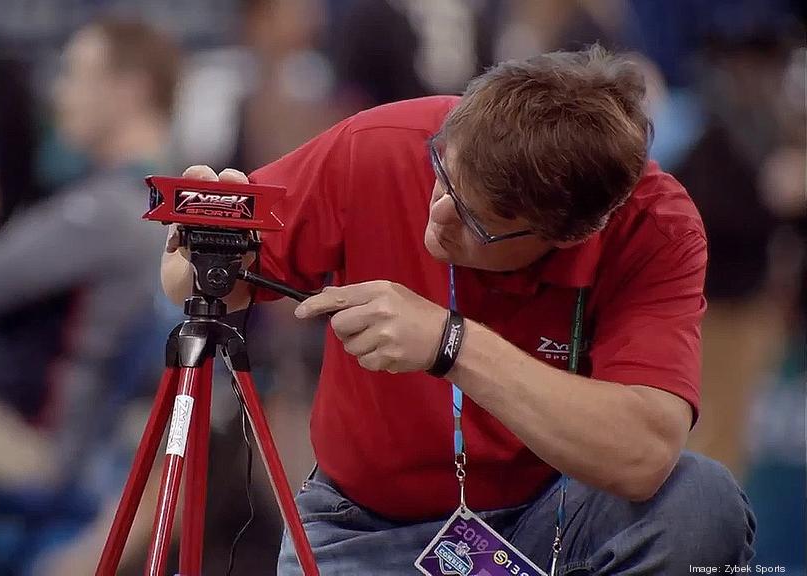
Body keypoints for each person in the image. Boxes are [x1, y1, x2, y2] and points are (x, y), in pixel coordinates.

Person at [162, 46, 756, 574]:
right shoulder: (385, 143)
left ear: (569, 234)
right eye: (442, 174)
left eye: (477, 221)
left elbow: (646, 454)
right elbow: (198, 281)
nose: (436, 215)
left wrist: (453, 346)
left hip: (555, 516)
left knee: (700, 502)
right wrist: (199, 246)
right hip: (364, 526)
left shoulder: (655, 227)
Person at [0, 18, 178, 481]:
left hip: (40, 443)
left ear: (129, 91)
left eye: (74, 74)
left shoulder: (107, 210)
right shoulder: (161, 201)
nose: (58, 93)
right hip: (71, 436)